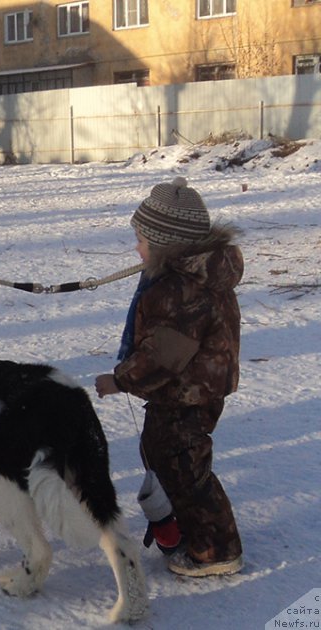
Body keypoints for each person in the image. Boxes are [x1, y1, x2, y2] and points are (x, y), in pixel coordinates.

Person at [94, 176, 244, 578]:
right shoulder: (190, 278)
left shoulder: (181, 292)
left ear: (166, 246)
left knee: (185, 470)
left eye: (142, 240)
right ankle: (183, 528)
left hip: (188, 392)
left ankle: (216, 550)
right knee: (164, 456)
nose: (136, 248)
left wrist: (120, 380)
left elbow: (161, 356)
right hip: (188, 390)